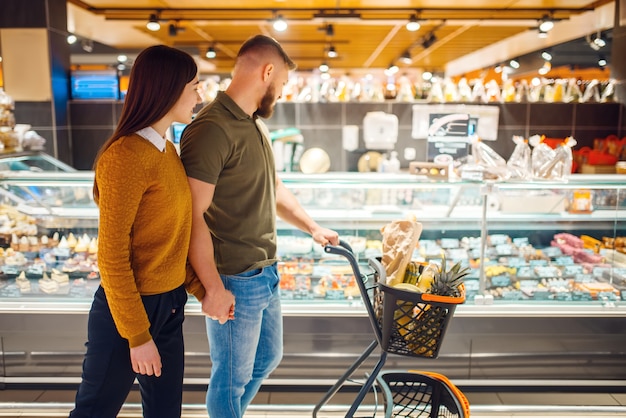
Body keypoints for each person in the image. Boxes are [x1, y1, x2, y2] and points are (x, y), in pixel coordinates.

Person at [180, 34, 339, 418]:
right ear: (267, 71)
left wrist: (312, 227)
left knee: (268, 358)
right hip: (234, 278)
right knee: (230, 380)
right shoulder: (212, 129)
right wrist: (212, 289)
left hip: (265, 273)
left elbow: (274, 187)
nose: (281, 93)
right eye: (282, 83)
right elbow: (190, 216)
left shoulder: (253, 124)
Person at [69, 45, 205, 418]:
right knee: (95, 411)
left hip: (170, 303)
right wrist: (138, 336)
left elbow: (173, 239)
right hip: (126, 312)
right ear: (169, 89)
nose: (199, 95)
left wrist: (201, 290)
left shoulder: (167, 150)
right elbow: (111, 255)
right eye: (194, 86)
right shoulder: (125, 157)